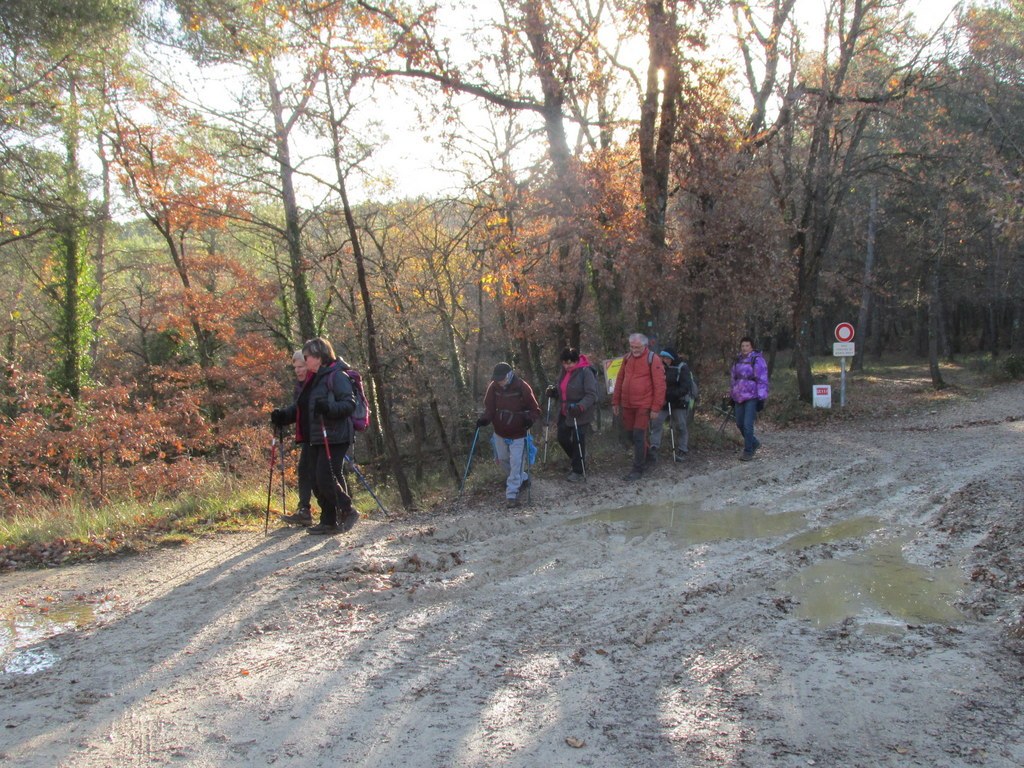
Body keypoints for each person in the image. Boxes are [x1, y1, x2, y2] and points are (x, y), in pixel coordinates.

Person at [272, 337, 358, 534]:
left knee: (324, 476)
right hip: (318, 436)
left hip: (336, 435)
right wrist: (283, 416)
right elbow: (303, 408)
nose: (305, 361)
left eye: (307, 357)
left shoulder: (336, 376)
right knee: (316, 479)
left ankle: (348, 510)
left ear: (319, 356)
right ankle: (328, 520)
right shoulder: (316, 378)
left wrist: (328, 408)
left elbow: (348, 404)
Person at [477, 362, 541, 507]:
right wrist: (484, 420)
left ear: (510, 374)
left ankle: (512, 495)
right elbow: (489, 409)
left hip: (519, 433)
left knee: (516, 463)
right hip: (499, 432)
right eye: (497, 378)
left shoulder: (522, 387)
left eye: (502, 378)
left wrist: (529, 419)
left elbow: (535, 410)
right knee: (503, 460)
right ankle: (523, 478)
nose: (500, 381)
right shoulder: (493, 387)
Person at [612, 333, 666, 481]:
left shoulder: (653, 359)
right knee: (630, 435)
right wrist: (615, 401)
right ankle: (649, 456)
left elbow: (660, 385)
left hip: (643, 404)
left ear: (645, 346)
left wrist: (655, 408)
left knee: (638, 435)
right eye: (632, 347)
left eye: (637, 347)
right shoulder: (627, 358)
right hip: (627, 404)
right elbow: (619, 380)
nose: (634, 350)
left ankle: (637, 469)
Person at [545, 347, 600, 483]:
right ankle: (578, 460)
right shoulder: (564, 372)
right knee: (562, 438)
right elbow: (562, 389)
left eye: (570, 363)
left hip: (580, 412)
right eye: (565, 363)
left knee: (578, 440)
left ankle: (578, 470)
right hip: (565, 411)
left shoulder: (585, 372)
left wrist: (580, 406)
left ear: (577, 361)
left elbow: (591, 395)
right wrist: (554, 392)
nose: (567, 366)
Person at [275, 350, 315, 526]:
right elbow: (298, 410)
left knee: (324, 473)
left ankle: (341, 509)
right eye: (295, 368)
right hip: (308, 435)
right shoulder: (300, 386)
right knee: (305, 470)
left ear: (310, 365)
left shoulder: (316, 383)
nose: (298, 371)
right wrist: (282, 416)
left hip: (321, 434)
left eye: (301, 366)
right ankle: (304, 510)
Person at [649, 348, 694, 462]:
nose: (665, 360)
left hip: (679, 402)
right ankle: (654, 447)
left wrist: (670, 394)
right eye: (663, 358)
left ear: (673, 357)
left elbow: (685, 387)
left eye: (667, 358)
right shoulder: (659, 366)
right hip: (663, 402)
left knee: (680, 425)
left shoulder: (682, 367)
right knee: (656, 423)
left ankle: (682, 449)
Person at [730, 336, 770, 461]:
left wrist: (762, 396)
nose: (744, 348)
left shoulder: (757, 360)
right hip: (738, 396)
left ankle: (748, 451)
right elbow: (733, 377)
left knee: (748, 425)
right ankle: (754, 442)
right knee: (739, 423)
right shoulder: (737, 360)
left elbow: (762, 379)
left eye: (747, 345)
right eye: (742, 346)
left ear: (751, 346)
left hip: (752, 396)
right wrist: (731, 393)